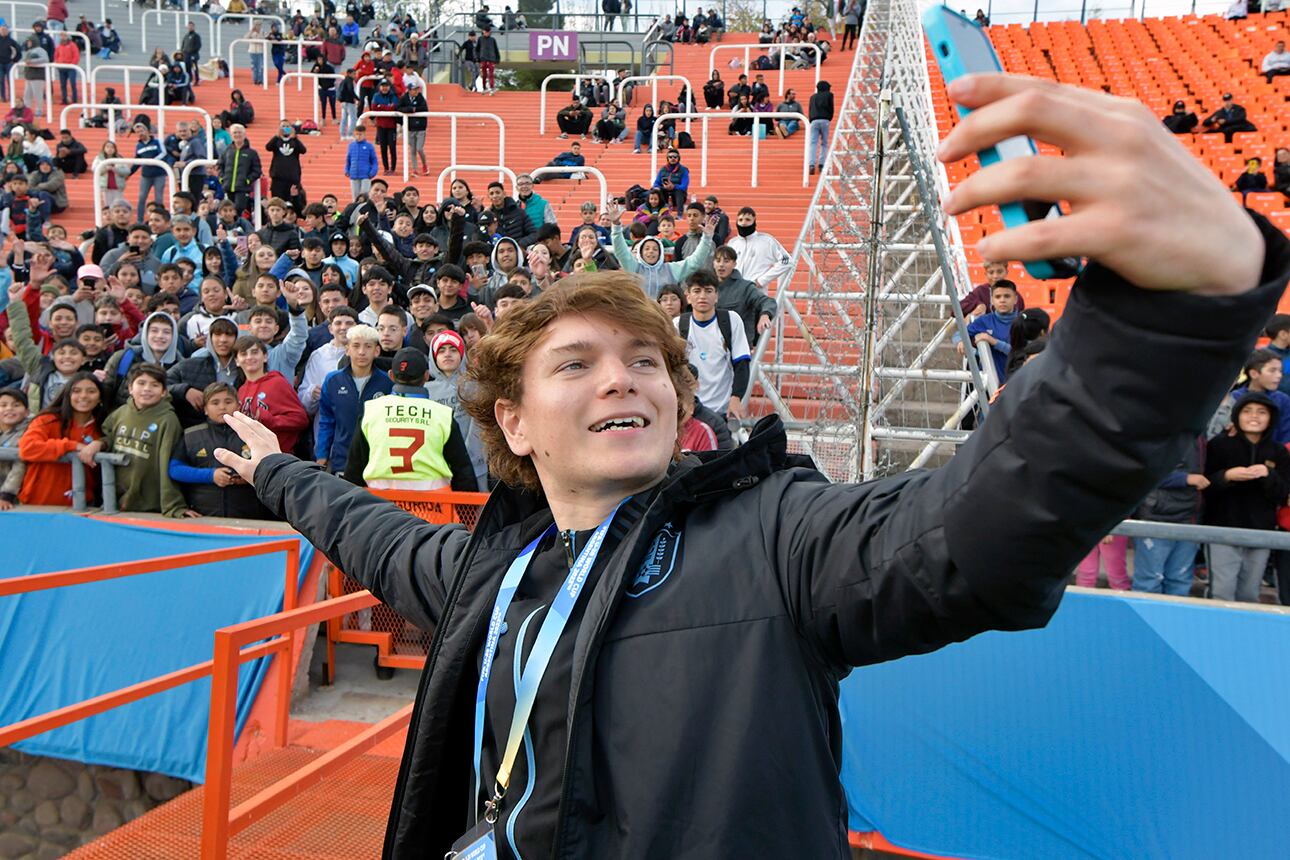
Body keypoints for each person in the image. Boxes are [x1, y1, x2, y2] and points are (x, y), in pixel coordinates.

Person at [210, 74, 1288, 860]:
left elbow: (979, 527)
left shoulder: (776, 533)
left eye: (647, 360)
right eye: (576, 363)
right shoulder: (493, 571)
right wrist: (276, 475)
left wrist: (1167, 323)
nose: (623, 379)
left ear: (683, 401)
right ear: (514, 422)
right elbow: (373, 534)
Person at [342, 347, 478, 490]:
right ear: (426, 376)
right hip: (433, 508)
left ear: (391, 376)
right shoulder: (442, 415)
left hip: (381, 507)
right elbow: (463, 472)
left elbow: (354, 471)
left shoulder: (371, 411)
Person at [1203, 392, 1290, 602]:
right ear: (1237, 415)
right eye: (1247, 411)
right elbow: (1205, 486)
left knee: (1249, 593)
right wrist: (1226, 476)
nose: (1254, 417)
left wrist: (1268, 475)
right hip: (1222, 529)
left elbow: (1283, 494)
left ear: (1271, 418)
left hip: (1261, 531)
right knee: (1222, 592)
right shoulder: (1219, 445)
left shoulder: (1278, 452)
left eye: (1262, 412)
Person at [168, 381, 270, 518]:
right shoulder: (191, 435)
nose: (222, 407)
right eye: (215, 403)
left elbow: (271, 468)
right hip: (203, 515)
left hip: (250, 515)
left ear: (238, 406)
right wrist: (211, 475)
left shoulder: (253, 433)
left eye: (228, 402)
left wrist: (251, 476)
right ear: (205, 408)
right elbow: (175, 469)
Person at [101, 362, 191, 517]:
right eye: (141, 383)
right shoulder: (120, 413)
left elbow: (166, 463)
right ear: (130, 388)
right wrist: (100, 443)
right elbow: (106, 435)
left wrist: (173, 505)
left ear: (163, 392)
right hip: (115, 499)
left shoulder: (168, 420)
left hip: (150, 503)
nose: (147, 389)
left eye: (154, 385)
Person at [1132, 435, 1206, 596]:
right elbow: (1141, 471)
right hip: (1155, 517)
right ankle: (1142, 620)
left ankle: (1173, 621)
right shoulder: (1157, 427)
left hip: (1190, 518)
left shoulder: (1200, 432)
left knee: (1180, 582)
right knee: (1149, 582)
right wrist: (1185, 478)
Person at [17, 372, 106, 506]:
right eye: (76, 391)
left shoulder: (102, 428)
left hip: (81, 507)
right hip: (36, 504)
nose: (83, 396)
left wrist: (101, 443)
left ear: (100, 398)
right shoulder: (48, 420)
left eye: (91, 391)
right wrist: (72, 446)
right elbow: (27, 448)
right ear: (67, 395)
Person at [314, 323, 393, 473]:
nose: (362, 352)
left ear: (377, 351)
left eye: (368, 346)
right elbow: (326, 421)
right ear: (347, 349)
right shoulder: (333, 381)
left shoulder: (387, 383)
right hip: (342, 460)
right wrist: (322, 455)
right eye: (356, 346)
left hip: (377, 462)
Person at [678, 269, 752, 421]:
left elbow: (742, 362)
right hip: (689, 411)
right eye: (697, 291)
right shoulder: (678, 325)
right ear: (688, 296)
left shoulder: (731, 320)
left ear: (717, 296)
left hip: (722, 410)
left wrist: (736, 397)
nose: (702, 296)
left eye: (708, 291)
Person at [608, 201, 714, 298]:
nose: (651, 252)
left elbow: (694, 262)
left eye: (655, 249)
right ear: (641, 252)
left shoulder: (670, 270)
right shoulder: (634, 267)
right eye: (647, 249)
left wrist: (707, 239)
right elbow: (621, 251)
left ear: (660, 253)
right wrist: (616, 226)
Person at [234, 336, 308, 455]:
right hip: (252, 456)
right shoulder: (241, 390)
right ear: (237, 361)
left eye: (254, 352)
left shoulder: (278, 383)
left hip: (279, 456)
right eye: (243, 354)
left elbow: (301, 419)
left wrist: (272, 420)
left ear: (265, 357)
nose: (249, 357)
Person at [711, 246, 778, 345]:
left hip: (738, 346)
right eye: (718, 261)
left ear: (734, 264)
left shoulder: (745, 287)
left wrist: (765, 315)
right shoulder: (707, 287)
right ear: (713, 263)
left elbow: (767, 301)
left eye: (726, 261)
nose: (721, 265)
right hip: (712, 344)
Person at [962, 279, 1019, 382]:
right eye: (998, 297)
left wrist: (993, 341)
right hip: (989, 384)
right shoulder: (984, 321)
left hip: (1017, 383)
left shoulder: (1024, 323)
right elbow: (960, 334)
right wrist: (961, 341)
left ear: (1015, 299)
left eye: (1007, 296)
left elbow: (1020, 353)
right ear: (992, 300)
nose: (1002, 300)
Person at [725, 207, 792, 290]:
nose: (743, 223)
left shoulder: (767, 241)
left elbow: (787, 261)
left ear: (754, 222)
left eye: (748, 220)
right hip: (734, 293)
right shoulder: (732, 243)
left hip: (756, 294)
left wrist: (762, 281)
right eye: (740, 220)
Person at [217, 123, 262, 217]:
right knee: (227, 210)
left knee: (238, 209)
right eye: (235, 133)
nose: (237, 135)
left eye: (239, 133)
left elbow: (257, 170)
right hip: (228, 186)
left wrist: (247, 180)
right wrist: (222, 178)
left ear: (244, 134)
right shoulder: (227, 151)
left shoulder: (251, 153)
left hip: (242, 187)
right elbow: (220, 165)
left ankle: (236, 227)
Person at [0, 387, 30, 509]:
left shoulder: (29, 431)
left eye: (16, 405)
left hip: (13, 498)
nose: (9, 409)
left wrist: (6, 495)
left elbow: (20, 466)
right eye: (3, 405)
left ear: (27, 412)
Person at [130, 123, 166, 222]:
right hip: (146, 175)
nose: (140, 133)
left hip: (159, 174)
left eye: (141, 131)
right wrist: (129, 173)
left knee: (158, 198)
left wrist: (153, 161)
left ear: (147, 131)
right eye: (137, 132)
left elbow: (163, 153)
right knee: (142, 197)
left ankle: (161, 219)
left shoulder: (157, 141)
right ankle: (139, 220)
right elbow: (137, 161)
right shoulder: (138, 145)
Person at [265, 122, 307, 202]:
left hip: (292, 178)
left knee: (292, 201)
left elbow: (303, 150)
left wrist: (294, 137)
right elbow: (268, 147)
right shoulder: (277, 141)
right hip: (278, 178)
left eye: (287, 126)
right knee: (277, 201)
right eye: (283, 126)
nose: (285, 128)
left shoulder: (294, 141)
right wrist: (277, 136)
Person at [345, 124, 380, 199]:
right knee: (355, 196)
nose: (358, 136)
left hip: (366, 175)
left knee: (365, 195)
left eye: (360, 134)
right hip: (354, 174)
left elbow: (374, 160)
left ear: (364, 134)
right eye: (357, 134)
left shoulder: (369, 146)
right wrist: (347, 170)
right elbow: (348, 160)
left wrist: (373, 172)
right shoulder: (351, 146)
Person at [808, 80, 833, 174]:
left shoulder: (813, 97)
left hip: (814, 120)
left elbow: (810, 109)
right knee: (824, 143)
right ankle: (821, 163)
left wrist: (811, 119)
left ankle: (811, 164)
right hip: (825, 119)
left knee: (813, 143)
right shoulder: (829, 95)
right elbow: (831, 108)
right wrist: (829, 117)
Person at [477, 26, 500, 94]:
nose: (486, 33)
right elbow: (477, 49)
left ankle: (492, 87)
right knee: (484, 74)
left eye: (488, 32)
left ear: (490, 32)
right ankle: (484, 87)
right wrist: (478, 58)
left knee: (491, 74)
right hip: (483, 58)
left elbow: (496, 49)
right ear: (483, 31)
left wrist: (497, 59)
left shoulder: (492, 40)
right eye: (485, 32)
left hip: (491, 59)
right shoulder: (480, 39)